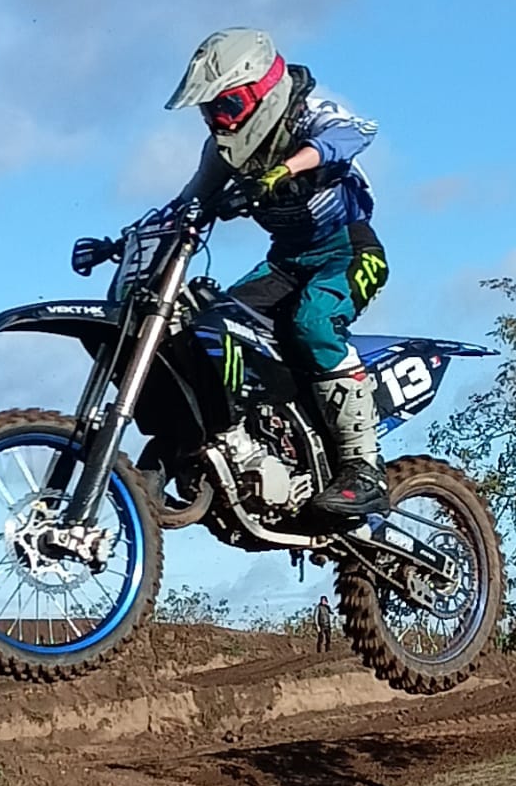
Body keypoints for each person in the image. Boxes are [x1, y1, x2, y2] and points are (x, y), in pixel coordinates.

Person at [76, 29, 389, 524]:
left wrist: (282, 171)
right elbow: (186, 205)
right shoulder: (223, 152)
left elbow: (356, 133)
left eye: (225, 106)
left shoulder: (308, 114)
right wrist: (119, 243)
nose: (217, 120)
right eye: (209, 111)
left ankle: (363, 470)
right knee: (210, 329)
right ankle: (197, 441)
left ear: (260, 90)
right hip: (284, 263)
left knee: (312, 322)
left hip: (347, 251)